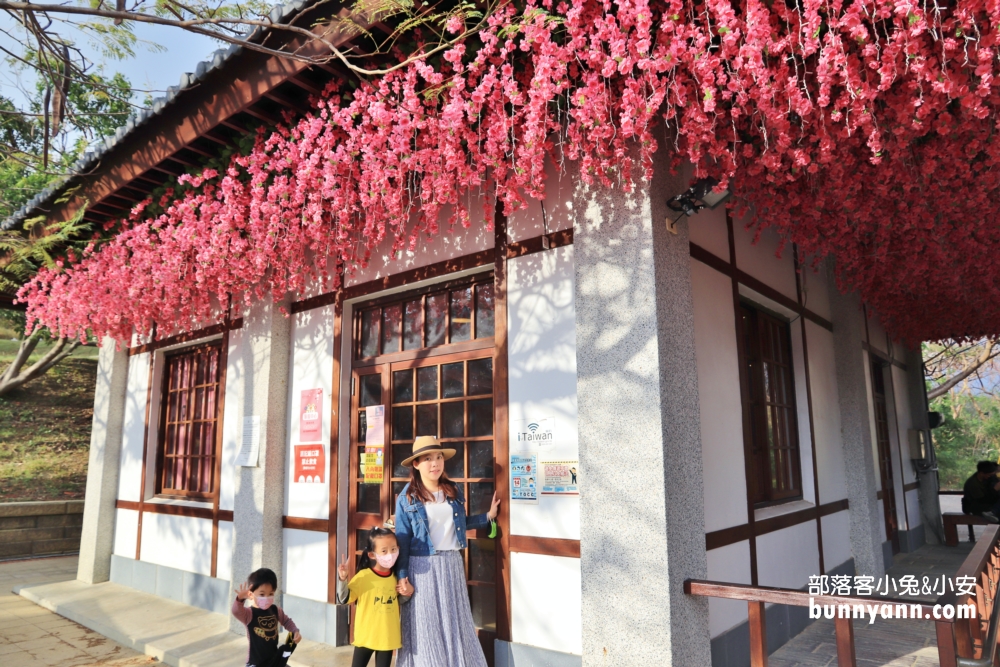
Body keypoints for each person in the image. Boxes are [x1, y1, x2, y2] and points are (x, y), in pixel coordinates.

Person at [394, 436, 501, 667]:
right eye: (428, 459)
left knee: (456, 622)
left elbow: (459, 524)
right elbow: (402, 539)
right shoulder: (407, 497)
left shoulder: (452, 490)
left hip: (452, 563)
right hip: (422, 567)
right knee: (426, 625)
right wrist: (402, 576)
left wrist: (487, 517)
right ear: (416, 464)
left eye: (439, 457)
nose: (435, 463)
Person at [336, 526, 414, 667]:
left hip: (387, 638)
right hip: (366, 637)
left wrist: (408, 592)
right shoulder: (363, 577)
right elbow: (344, 599)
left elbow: (398, 601)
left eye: (393, 549)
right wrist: (342, 579)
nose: (390, 554)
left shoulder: (396, 577)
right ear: (372, 555)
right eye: (384, 551)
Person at [232, 567, 301, 667]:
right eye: (262, 594)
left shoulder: (276, 610)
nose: (266, 598)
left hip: (273, 659)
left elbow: (286, 621)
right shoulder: (248, 614)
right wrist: (240, 599)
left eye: (271, 594)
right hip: (255, 663)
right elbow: (236, 611)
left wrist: (295, 631)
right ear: (251, 595)